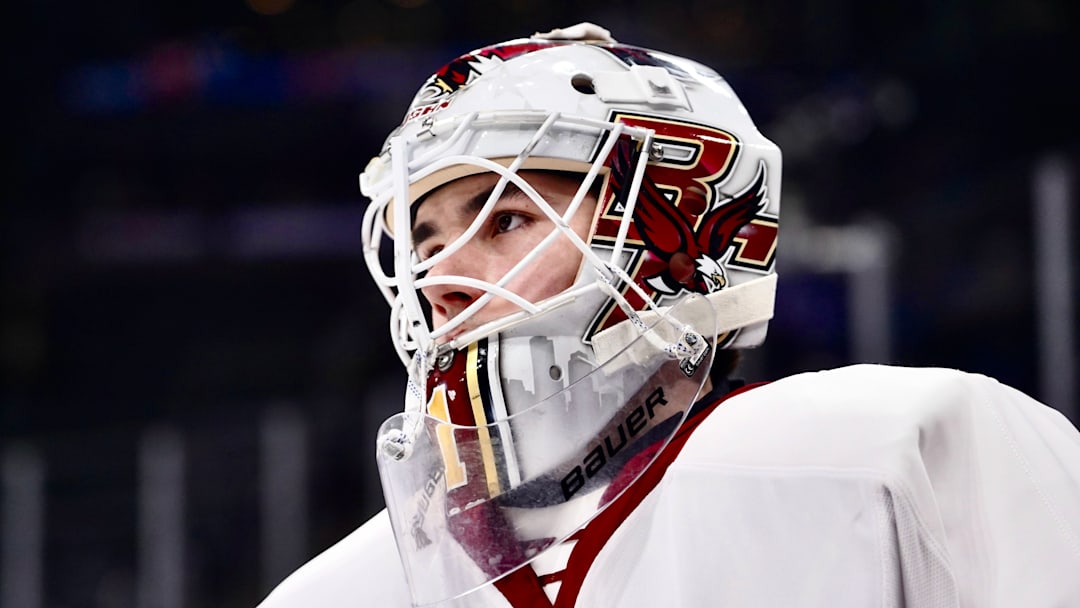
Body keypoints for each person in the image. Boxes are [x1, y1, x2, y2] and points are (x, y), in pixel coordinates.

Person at [260, 23, 1080, 607]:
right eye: (425, 245)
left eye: (504, 219)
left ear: (671, 230)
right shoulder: (334, 594)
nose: (441, 279)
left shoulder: (888, 449)